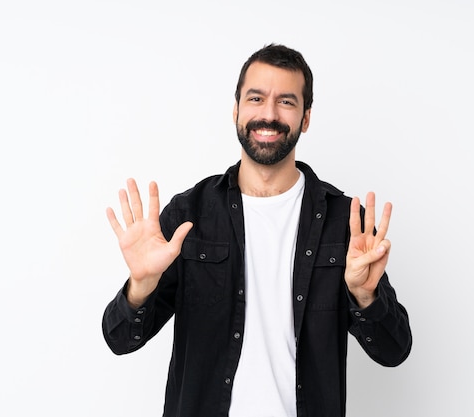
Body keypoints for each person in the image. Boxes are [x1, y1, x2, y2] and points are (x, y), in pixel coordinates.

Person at [102, 43, 412, 417]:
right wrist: (141, 287)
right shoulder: (189, 215)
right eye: (255, 98)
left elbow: (394, 350)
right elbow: (120, 339)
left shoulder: (345, 222)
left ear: (306, 117)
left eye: (286, 101)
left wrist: (365, 296)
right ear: (236, 111)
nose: (268, 114)